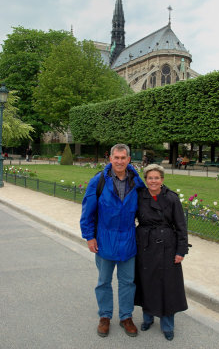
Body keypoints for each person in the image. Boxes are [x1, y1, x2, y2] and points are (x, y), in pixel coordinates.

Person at [80, 143, 145, 338]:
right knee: (103, 282)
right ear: (110, 158)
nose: (119, 161)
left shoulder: (137, 181)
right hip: (104, 239)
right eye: (116, 158)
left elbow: (148, 204)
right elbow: (87, 212)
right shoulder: (98, 181)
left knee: (127, 282)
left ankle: (126, 317)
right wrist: (89, 236)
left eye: (123, 158)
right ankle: (105, 316)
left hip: (128, 239)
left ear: (128, 159)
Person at [135, 164, 189, 341]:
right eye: (150, 178)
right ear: (146, 179)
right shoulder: (139, 196)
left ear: (162, 179)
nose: (153, 181)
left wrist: (181, 250)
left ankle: (167, 325)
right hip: (145, 245)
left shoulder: (172, 198)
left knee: (168, 286)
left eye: (156, 178)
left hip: (167, 246)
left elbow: (181, 226)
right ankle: (148, 318)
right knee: (146, 282)